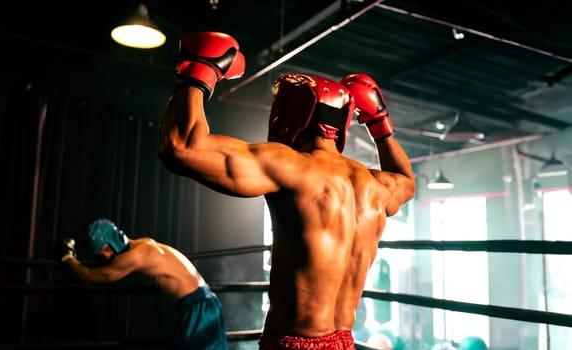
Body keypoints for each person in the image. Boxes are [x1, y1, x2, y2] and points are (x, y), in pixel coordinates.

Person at [157, 31, 416, 349]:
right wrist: (380, 126)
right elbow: (407, 182)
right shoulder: (376, 185)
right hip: (345, 342)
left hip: (294, 343)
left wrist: (199, 73)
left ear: (291, 114)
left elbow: (180, 146)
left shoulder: (291, 166)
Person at [55, 218, 228, 350]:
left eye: (106, 249)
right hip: (205, 302)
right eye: (102, 254)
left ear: (114, 239)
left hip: (197, 308)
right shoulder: (142, 244)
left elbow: (91, 275)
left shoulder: (134, 256)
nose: (106, 256)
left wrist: (67, 257)